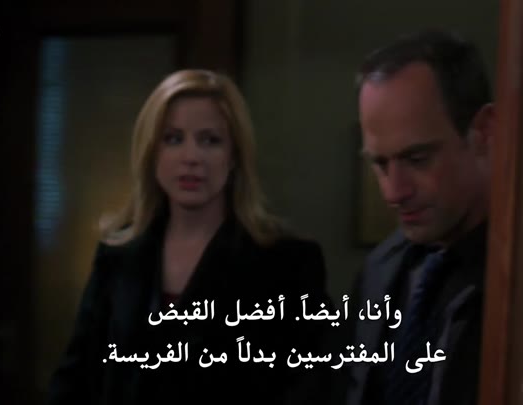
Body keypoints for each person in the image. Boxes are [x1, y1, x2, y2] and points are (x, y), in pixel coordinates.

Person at [46, 69, 332, 405]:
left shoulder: (288, 262)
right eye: (173, 139)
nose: (191, 157)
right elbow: (75, 379)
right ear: (152, 153)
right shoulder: (118, 255)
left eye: (210, 140)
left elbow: (311, 387)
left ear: (234, 156)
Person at [345, 31, 494, 405]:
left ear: (484, 133)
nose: (393, 193)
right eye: (380, 164)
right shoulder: (379, 271)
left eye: (417, 159)